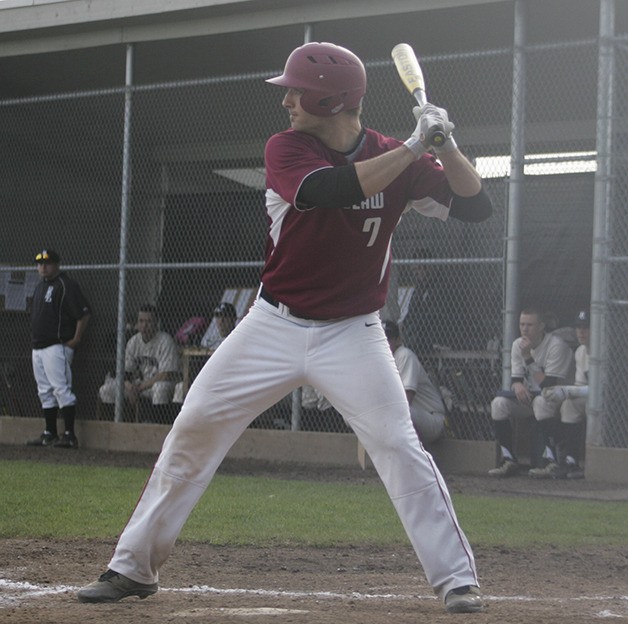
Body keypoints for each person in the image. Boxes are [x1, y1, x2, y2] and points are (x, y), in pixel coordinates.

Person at [77, 42, 492, 613]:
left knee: (398, 444)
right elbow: (325, 191)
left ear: (333, 99)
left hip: (354, 332)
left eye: (298, 92)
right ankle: (133, 568)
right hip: (272, 325)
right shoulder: (288, 149)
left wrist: (447, 144)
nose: (288, 102)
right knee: (193, 426)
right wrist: (418, 148)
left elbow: (476, 208)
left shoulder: (397, 155)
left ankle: (456, 581)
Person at [488, 306, 574, 478]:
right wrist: (517, 386)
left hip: (560, 399)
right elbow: (516, 379)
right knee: (499, 404)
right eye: (522, 324)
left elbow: (548, 385)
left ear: (541, 326)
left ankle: (552, 462)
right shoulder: (517, 345)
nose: (525, 329)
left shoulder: (556, 345)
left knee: (541, 402)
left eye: (530, 325)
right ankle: (509, 460)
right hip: (532, 398)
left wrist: (528, 357)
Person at [27, 249, 91, 449]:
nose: (43, 267)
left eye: (47, 263)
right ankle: (50, 433)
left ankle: (70, 435)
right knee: (44, 390)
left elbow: (84, 313)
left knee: (61, 389)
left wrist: (76, 339)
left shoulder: (65, 284)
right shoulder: (40, 286)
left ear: (57, 265)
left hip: (57, 346)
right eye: (40, 263)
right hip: (38, 346)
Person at [99, 304, 180, 421]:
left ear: (156, 322)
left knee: (159, 388)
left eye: (148, 321)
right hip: (138, 385)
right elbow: (126, 372)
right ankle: (111, 425)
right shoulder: (133, 342)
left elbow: (165, 375)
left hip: (159, 384)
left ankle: (157, 426)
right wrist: (130, 387)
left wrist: (139, 388)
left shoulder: (165, 341)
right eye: (141, 321)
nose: (144, 325)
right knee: (106, 390)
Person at [540, 309, 590, 479]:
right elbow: (581, 386)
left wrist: (568, 391)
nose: (581, 332)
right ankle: (570, 460)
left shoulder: (603, 352)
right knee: (569, 405)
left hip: (610, 405)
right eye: (578, 328)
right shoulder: (580, 351)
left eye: (586, 327)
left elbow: (600, 392)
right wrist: (563, 392)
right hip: (588, 401)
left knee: (571, 399)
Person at [384, 320, 445, 444]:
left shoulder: (404, 355)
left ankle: (422, 457)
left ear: (397, 340)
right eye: (381, 339)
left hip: (431, 419)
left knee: (399, 410)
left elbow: (406, 399)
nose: (384, 343)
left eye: (388, 339)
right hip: (406, 415)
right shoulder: (381, 361)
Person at [172, 302, 238, 403]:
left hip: (229, 380)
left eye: (225, 317)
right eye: (218, 316)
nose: (221, 321)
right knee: (180, 387)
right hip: (207, 379)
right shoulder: (209, 339)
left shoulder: (239, 338)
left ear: (234, 319)